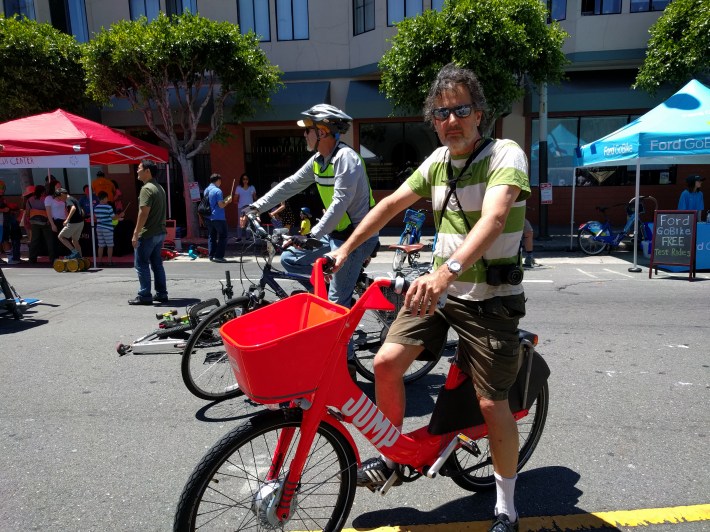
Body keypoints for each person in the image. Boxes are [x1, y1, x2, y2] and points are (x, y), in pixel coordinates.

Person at [328, 64, 530, 532]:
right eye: (441, 113)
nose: (451, 120)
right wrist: (345, 248)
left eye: (460, 109)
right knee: (384, 364)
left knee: (489, 403)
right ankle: (393, 458)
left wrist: (447, 271)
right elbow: (389, 205)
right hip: (440, 294)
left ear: (479, 113)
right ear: (433, 121)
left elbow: (495, 219)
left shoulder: (505, 153)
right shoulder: (436, 162)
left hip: (489, 299)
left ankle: (506, 505)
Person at [247, 103, 378, 308]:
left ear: (322, 132)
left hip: (356, 237)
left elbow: (339, 203)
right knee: (290, 259)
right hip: (335, 233)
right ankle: (329, 291)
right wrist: (256, 207)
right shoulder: (319, 160)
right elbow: (291, 184)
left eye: (307, 129)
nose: (304, 134)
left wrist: (310, 235)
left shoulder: (346, 159)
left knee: (336, 306)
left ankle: (337, 312)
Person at [128, 160, 168, 305]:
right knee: (157, 264)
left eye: (139, 168)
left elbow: (143, 212)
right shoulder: (159, 187)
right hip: (159, 232)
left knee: (141, 264)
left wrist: (135, 233)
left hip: (148, 233)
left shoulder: (146, 189)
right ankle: (162, 294)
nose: (137, 171)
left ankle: (145, 295)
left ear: (147, 171)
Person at [203, 173, 233, 263]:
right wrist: (228, 201)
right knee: (223, 236)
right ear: (218, 180)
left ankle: (211, 255)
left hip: (208, 216)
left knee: (212, 236)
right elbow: (221, 205)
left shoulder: (206, 190)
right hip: (218, 217)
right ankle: (219, 256)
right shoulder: (217, 191)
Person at [27, 185, 56, 265]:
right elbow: (49, 210)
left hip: (34, 222)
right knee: (49, 240)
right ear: (43, 192)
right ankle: (52, 259)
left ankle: (32, 259)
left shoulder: (30, 199)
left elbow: (27, 212)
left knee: (34, 240)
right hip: (45, 222)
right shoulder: (46, 199)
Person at [94, 191, 124, 266]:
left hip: (99, 228)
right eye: (107, 198)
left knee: (100, 245)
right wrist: (120, 215)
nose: (107, 199)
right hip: (107, 228)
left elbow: (97, 217)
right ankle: (109, 261)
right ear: (104, 198)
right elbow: (113, 217)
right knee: (110, 245)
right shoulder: (108, 207)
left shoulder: (96, 207)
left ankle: (99, 261)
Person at [55, 188, 85, 260]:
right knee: (74, 240)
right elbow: (82, 210)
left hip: (73, 223)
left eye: (58, 197)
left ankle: (74, 252)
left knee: (61, 237)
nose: (59, 199)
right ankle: (80, 258)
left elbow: (73, 208)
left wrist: (67, 219)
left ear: (62, 195)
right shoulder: (73, 199)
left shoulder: (68, 200)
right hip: (80, 223)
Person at [235, 173, 256, 241]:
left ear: (248, 180)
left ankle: (248, 237)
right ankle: (239, 237)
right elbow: (235, 198)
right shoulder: (238, 188)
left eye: (246, 179)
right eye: (244, 179)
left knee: (249, 222)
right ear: (242, 180)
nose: (245, 180)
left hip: (250, 207)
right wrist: (237, 202)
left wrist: (254, 196)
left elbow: (255, 198)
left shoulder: (252, 187)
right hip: (241, 207)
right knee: (240, 222)